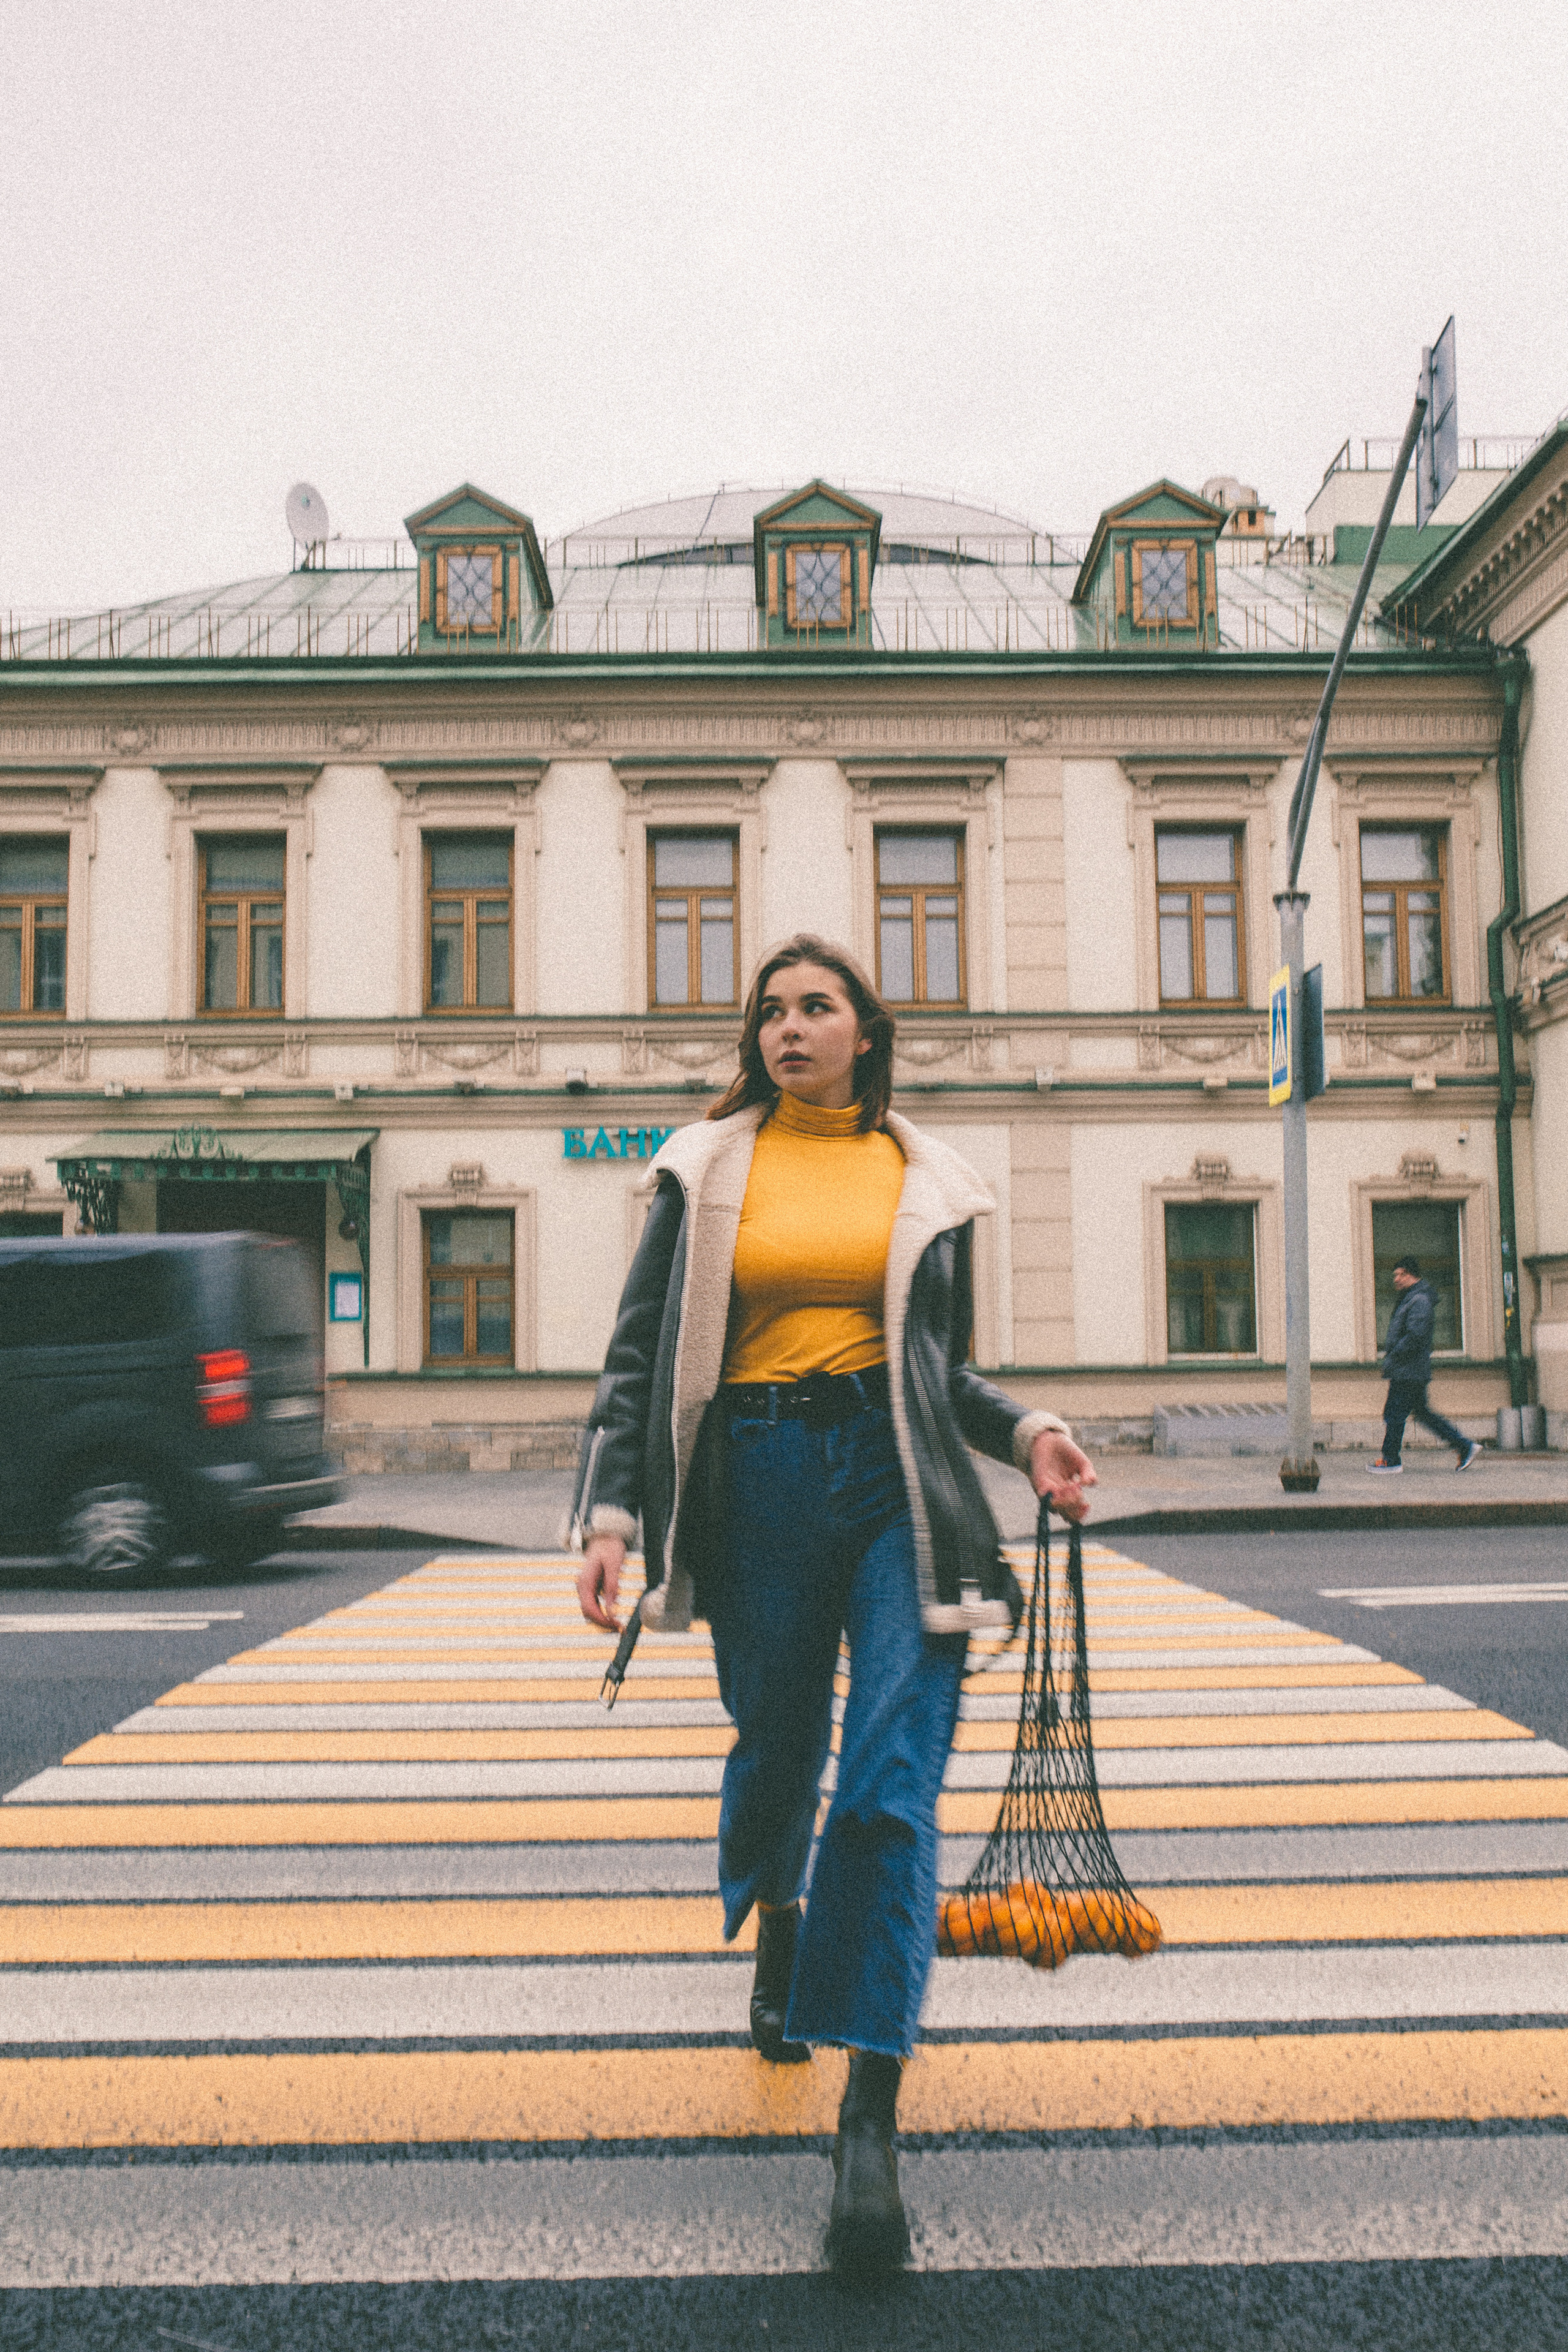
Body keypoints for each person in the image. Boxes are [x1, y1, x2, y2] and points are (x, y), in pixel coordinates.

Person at [568, 933, 1094, 2275]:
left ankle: (867, 2125)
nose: (786, 1028)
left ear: (866, 1030)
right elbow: (637, 1359)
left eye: (815, 1008)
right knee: (777, 1745)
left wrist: (1027, 1430)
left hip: (893, 1486)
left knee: (885, 1789)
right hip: (752, 1484)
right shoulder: (705, 1170)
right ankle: (783, 1923)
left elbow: (942, 1373)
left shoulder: (924, 1182)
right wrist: (612, 1513)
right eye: (770, 1013)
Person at [1369, 1255, 1480, 1474]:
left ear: (1412, 1275)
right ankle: (1464, 1446)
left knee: (1394, 1414)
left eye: (1401, 1274)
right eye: (1395, 1275)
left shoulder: (1419, 1300)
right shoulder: (1412, 1298)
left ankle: (1391, 1461)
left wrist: (1395, 1354)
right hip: (1410, 1369)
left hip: (1408, 1369)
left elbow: (1416, 1336)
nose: (1397, 1279)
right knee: (1422, 1413)